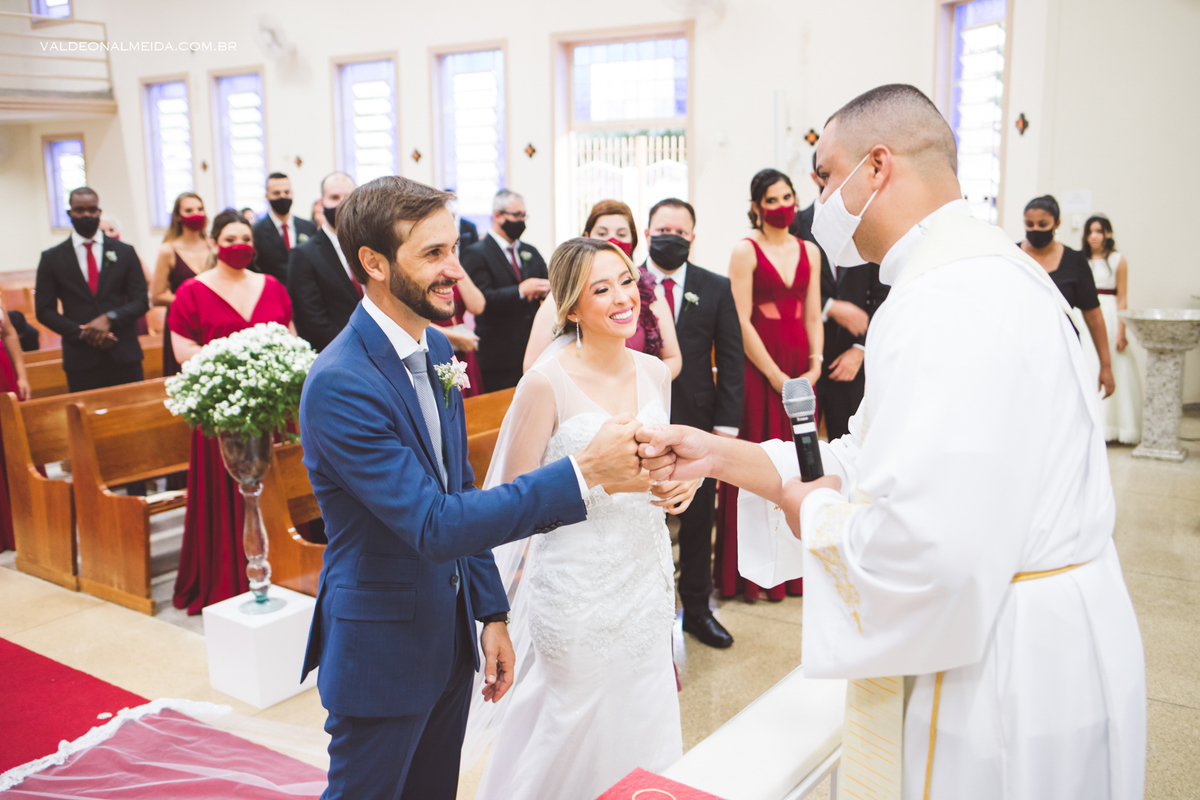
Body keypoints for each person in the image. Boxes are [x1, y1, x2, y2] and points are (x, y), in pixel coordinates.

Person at [638, 84, 1145, 800]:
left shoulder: (948, 302)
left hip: (1007, 671)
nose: (815, 202)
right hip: (1043, 630)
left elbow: (924, 551)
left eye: (823, 175)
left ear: (876, 167)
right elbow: (871, 458)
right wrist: (718, 454)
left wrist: (813, 515)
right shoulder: (981, 274)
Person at [297, 176, 646, 800]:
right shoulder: (340, 382)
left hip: (450, 636)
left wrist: (490, 610)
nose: (454, 269)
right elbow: (434, 522)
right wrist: (583, 473)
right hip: (382, 649)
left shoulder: (433, 346)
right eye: (432, 254)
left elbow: (458, 483)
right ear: (374, 264)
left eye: (452, 248)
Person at [467, 237, 696, 800]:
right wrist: (592, 480)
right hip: (574, 588)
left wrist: (681, 483)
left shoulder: (654, 374)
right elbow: (510, 503)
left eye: (625, 281)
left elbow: (660, 466)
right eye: (602, 288)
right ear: (570, 308)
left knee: (643, 712)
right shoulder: (545, 383)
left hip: (645, 580)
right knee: (571, 719)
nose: (623, 298)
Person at [169, 209, 297, 615]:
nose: (238, 245)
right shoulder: (192, 290)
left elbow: (291, 339)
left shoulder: (272, 285)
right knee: (229, 498)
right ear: (213, 243)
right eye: (229, 239)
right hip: (224, 417)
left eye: (245, 237)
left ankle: (291, 571)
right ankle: (232, 578)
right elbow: (184, 352)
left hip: (274, 412)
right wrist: (238, 364)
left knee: (281, 491)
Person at [637, 197, 743, 648]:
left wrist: (727, 428)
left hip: (698, 420)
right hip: (640, 419)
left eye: (680, 233)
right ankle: (646, 614)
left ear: (692, 238)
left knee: (699, 519)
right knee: (642, 519)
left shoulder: (714, 287)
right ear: (647, 233)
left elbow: (733, 358)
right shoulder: (626, 282)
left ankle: (697, 609)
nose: (671, 238)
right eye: (663, 230)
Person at [716, 169, 822, 601]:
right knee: (758, 466)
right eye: (773, 200)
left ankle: (795, 571)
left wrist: (814, 367)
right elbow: (740, 319)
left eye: (788, 198)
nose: (782, 207)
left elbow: (813, 313)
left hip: (801, 363)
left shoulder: (809, 251)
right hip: (761, 369)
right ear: (757, 208)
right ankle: (749, 576)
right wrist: (776, 376)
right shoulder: (746, 251)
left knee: (802, 465)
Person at [522, 199, 683, 379]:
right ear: (587, 236)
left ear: (633, 240)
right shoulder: (566, 293)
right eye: (602, 233)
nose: (612, 240)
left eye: (621, 234)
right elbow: (532, 367)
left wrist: (639, 384)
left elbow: (673, 357)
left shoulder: (648, 289)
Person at [791, 155, 889, 440]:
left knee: (850, 444)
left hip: (852, 358)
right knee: (800, 447)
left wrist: (861, 348)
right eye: (826, 176)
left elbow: (884, 291)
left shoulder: (866, 223)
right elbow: (783, 293)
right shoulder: (794, 226)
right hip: (802, 356)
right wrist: (829, 307)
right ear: (814, 178)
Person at [35, 186, 150, 392]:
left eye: (92, 209)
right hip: (80, 357)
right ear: (70, 213)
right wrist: (82, 333)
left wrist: (110, 318)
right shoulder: (52, 258)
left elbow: (141, 301)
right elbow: (44, 310)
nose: (86, 215)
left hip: (123, 351)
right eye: (80, 210)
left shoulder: (124, 252)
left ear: (99, 212)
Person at [1020, 195, 1114, 398]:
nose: (1035, 229)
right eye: (1030, 224)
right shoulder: (1012, 255)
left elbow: (1093, 316)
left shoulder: (1075, 261)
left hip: (1061, 353)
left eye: (1042, 224)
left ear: (1057, 223)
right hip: (1020, 352)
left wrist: (1105, 366)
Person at [461, 189, 550, 392]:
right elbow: (481, 299)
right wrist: (520, 290)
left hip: (534, 349)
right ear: (498, 216)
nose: (521, 221)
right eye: (516, 215)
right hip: (498, 355)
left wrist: (546, 288)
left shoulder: (530, 251)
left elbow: (547, 280)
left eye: (523, 216)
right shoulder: (476, 253)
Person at [1083, 215, 1142, 443]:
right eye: (1090, 231)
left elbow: (1122, 298)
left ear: (1108, 233)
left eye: (1099, 231)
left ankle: (1112, 426)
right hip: (1086, 313)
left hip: (1108, 315)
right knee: (1086, 362)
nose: (1094, 236)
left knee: (1112, 364)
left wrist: (1121, 331)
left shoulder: (1118, 260)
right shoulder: (1082, 260)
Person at [288, 172, 362, 352]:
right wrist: (354, 349)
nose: (342, 203)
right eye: (334, 197)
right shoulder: (304, 255)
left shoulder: (369, 246)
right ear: (321, 203)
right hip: (337, 351)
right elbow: (313, 320)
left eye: (348, 197)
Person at [153, 192, 211, 376]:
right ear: (178, 217)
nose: (196, 214)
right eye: (189, 210)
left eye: (200, 209)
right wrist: (190, 302)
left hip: (209, 319)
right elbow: (157, 295)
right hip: (183, 320)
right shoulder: (168, 250)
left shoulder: (212, 246)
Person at [0, 292, 32, 552]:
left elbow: (9, 332)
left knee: (12, 442)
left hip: (3, 374)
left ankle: (24, 521)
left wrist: (21, 375)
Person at [252, 172, 317, 284]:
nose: (282, 196)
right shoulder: (256, 231)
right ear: (267, 196)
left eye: (286, 192)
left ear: (292, 193)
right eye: (276, 193)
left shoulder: (309, 227)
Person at [430, 271, 486, 399]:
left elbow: (477, 307)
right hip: (439, 346)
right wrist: (456, 338)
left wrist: (457, 268)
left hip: (464, 348)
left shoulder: (454, 272)